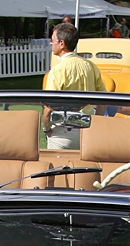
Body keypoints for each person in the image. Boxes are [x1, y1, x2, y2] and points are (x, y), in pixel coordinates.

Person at [43, 22, 106, 150]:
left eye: (52, 40)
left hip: (63, 131)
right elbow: (103, 100)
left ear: (62, 43)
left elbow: (48, 107)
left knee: (57, 168)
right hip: (87, 128)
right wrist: (96, 124)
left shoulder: (57, 71)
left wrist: (47, 129)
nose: (51, 43)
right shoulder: (91, 66)